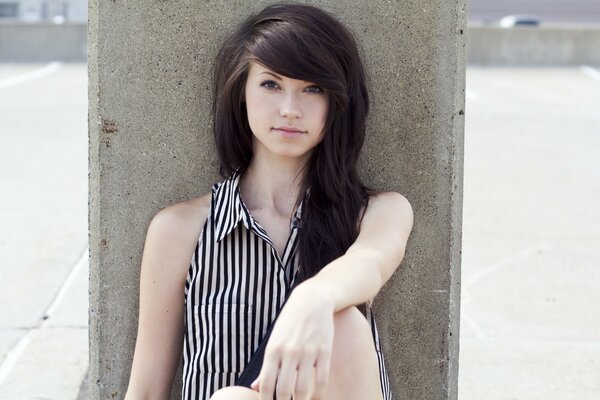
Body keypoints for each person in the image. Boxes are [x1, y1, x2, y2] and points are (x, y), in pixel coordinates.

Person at [124, 3, 413, 400]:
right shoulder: (180, 231)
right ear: (241, 93)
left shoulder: (376, 213)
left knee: (342, 324)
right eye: (270, 85)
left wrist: (314, 297)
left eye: (313, 89)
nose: (290, 110)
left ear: (337, 103)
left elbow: (370, 261)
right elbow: (145, 392)